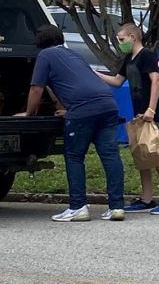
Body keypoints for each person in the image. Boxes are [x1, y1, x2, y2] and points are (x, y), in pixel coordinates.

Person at [17, 25, 125, 222]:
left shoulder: (45, 56)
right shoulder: (73, 54)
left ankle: (78, 206)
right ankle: (116, 207)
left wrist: (29, 113)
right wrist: (71, 109)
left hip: (83, 110)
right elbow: (80, 81)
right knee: (110, 156)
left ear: (39, 43)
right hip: (107, 104)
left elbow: (36, 89)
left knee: (74, 156)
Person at [95, 23, 159, 215]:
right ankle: (146, 198)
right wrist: (94, 74)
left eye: (122, 40)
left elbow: (156, 80)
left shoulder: (147, 56)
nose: (120, 44)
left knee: (157, 153)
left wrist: (151, 108)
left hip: (154, 112)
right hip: (138, 113)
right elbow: (117, 81)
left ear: (133, 37)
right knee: (142, 154)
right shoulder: (129, 59)